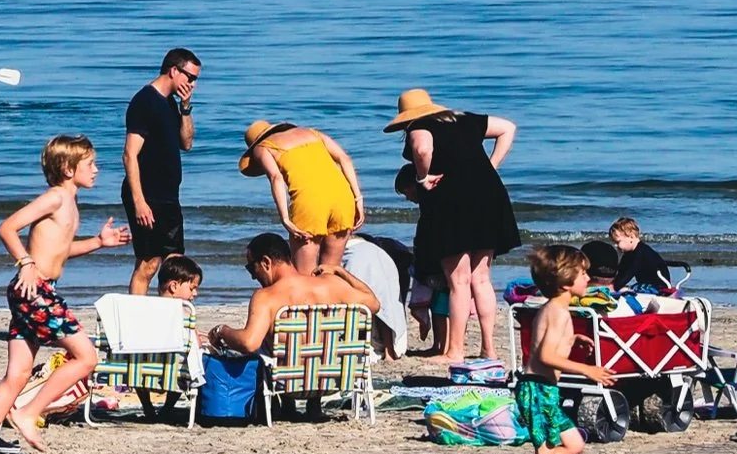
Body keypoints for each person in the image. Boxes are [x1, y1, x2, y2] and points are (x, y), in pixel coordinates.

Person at [0, 134, 131, 454]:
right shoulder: (55, 197)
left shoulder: (69, 202)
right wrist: (25, 262)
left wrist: (97, 242)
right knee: (87, 357)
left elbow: (60, 250)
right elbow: (7, 228)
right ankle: (29, 412)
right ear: (68, 168)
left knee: (18, 373)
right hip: (35, 290)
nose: (96, 169)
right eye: (90, 164)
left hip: (35, 290)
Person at [385, 88, 522, 372]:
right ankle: (489, 347)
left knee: (459, 280)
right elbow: (508, 128)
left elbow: (423, 149)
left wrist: (422, 178)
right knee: (481, 278)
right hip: (490, 196)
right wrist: (491, 166)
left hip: (452, 201)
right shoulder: (464, 118)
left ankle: (455, 351)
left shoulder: (419, 127)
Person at [499, 244, 613, 454]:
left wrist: (573, 339)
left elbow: (546, 342)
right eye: (583, 273)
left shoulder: (555, 309)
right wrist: (587, 369)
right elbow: (545, 356)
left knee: (574, 445)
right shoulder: (557, 312)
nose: (588, 278)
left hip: (546, 391)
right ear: (565, 282)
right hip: (537, 390)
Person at [205, 232, 377, 357]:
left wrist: (223, 331)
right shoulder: (332, 285)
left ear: (266, 262)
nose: (253, 277)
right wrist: (340, 271)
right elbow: (373, 304)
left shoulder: (266, 297)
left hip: (285, 383)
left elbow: (249, 343)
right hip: (331, 378)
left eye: (252, 268)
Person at [239, 121, 365, 277]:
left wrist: (285, 218)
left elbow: (276, 177)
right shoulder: (313, 133)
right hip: (343, 198)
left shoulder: (262, 147)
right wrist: (358, 198)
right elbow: (344, 159)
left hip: (310, 202)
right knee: (330, 272)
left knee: (304, 277)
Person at [121, 48, 199, 294]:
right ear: (174, 70)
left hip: (169, 195)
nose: (192, 84)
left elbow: (186, 143)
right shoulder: (145, 101)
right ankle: (135, 314)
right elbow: (129, 154)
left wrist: (185, 107)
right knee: (149, 263)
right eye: (190, 77)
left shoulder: (169, 103)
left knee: (176, 263)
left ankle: (171, 313)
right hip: (147, 194)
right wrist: (139, 202)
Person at [603, 217, 676, 296]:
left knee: (626, 289)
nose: (615, 245)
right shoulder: (630, 253)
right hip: (646, 285)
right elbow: (621, 271)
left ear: (631, 236)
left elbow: (629, 273)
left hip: (659, 287)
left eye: (618, 242)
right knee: (624, 287)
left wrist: (614, 287)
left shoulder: (641, 253)